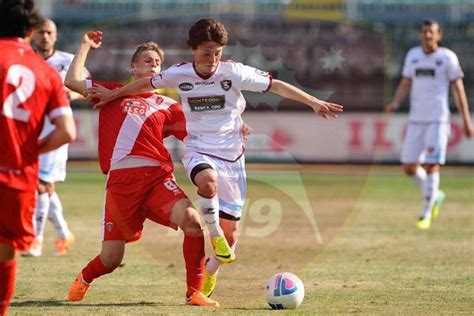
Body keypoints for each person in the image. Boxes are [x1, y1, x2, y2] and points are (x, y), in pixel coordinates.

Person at [88, 18, 343, 298]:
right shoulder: (179, 74)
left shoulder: (235, 72)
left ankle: (212, 267)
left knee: (231, 240)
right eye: (205, 53)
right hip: (199, 149)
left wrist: (313, 102)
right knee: (206, 183)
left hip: (232, 157)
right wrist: (114, 94)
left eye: (217, 53)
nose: (212, 59)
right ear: (193, 50)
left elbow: (277, 86)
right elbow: (143, 84)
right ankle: (214, 235)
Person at [64, 30, 219, 306]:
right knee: (111, 259)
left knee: (194, 223)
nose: (153, 65)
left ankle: (194, 292)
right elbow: (72, 81)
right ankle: (84, 278)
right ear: (133, 67)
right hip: (122, 185)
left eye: (157, 62)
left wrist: (232, 129)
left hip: (157, 179)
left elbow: (200, 136)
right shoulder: (112, 93)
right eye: (147, 60)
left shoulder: (170, 106)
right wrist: (85, 45)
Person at [0, 0, 76, 314]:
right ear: (31, 31)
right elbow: (67, 131)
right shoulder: (45, 72)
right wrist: (27, 151)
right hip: (17, 177)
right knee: (5, 255)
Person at [385, 19, 473, 230]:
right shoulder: (413, 55)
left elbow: (458, 89)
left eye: (431, 32)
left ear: (438, 35)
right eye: (424, 32)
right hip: (416, 120)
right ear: (420, 35)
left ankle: (425, 212)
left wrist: (466, 120)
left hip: (438, 120)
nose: (427, 36)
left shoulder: (447, 57)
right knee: (408, 166)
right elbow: (406, 81)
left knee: (432, 164)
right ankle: (435, 194)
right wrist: (396, 102)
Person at [24, 18, 86, 257]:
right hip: (31, 127)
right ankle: (63, 233)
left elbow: (86, 87)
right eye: (41, 32)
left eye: (49, 32)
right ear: (32, 35)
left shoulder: (68, 61)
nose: (45, 36)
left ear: (56, 35)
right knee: (41, 185)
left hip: (58, 127)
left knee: (42, 184)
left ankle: (36, 240)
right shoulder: (25, 60)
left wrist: (69, 94)